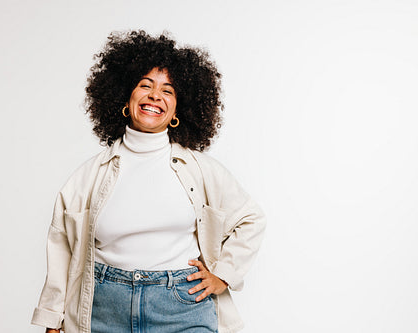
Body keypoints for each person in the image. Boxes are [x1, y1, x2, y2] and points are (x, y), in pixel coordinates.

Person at [31, 30, 266, 333]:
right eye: (145, 85)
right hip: (104, 308)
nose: (155, 95)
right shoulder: (88, 176)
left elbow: (251, 219)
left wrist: (223, 275)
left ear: (178, 110)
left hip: (183, 306)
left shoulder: (201, 170)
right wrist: (53, 319)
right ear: (124, 99)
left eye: (168, 91)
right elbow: (61, 247)